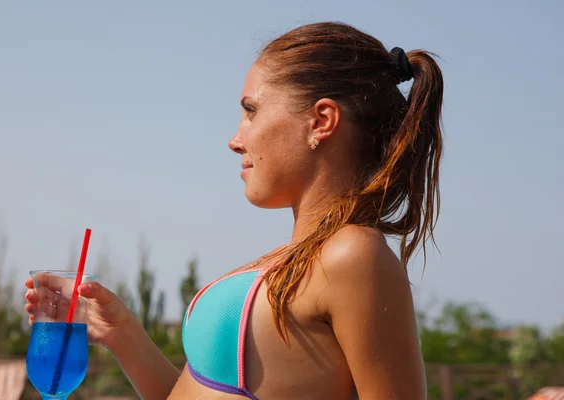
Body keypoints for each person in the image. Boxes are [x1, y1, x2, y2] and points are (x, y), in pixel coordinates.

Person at [25, 21, 444, 400]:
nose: (236, 139)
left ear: (321, 121)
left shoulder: (353, 255)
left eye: (251, 111)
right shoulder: (292, 260)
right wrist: (122, 334)